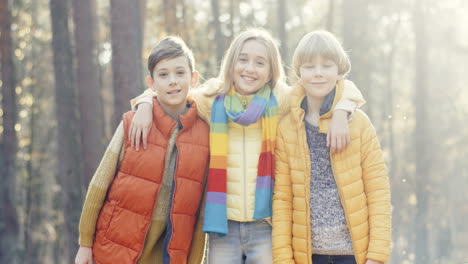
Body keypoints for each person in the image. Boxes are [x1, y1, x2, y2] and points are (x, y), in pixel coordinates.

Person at [129, 28, 365, 263]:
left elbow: (335, 86)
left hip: (266, 225)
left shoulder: (282, 99)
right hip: (223, 226)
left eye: (260, 62)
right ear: (232, 63)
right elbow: (171, 91)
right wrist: (144, 103)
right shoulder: (212, 99)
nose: (249, 68)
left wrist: (343, 110)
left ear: (271, 70)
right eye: (243, 60)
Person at [74, 36, 209, 264]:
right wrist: (85, 244)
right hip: (114, 245)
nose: (172, 81)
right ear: (151, 83)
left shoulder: (205, 133)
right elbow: (99, 184)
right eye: (163, 75)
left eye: (180, 73)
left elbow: (200, 212)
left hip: (167, 250)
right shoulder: (133, 122)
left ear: (193, 78)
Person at [272, 30, 391, 264]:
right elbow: (282, 200)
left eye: (326, 65)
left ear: (339, 71)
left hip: (354, 254)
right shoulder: (287, 129)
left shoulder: (359, 124)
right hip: (308, 255)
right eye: (309, 66)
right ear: (298, 73)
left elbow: (378, 193)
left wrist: (376, 257)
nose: (318, 73)